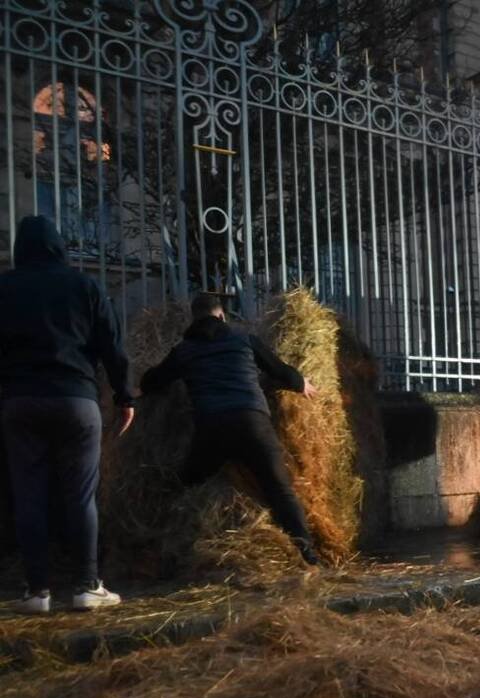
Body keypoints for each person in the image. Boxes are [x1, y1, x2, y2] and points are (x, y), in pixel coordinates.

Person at [0, 215, 134, 614]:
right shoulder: (85, 286)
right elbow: (113, 345)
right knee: (80, 495)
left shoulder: (4, 288)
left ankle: (36, 590)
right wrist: (125, 396)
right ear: (59, 245)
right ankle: (86, 585)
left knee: (29, 496)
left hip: (19, 401)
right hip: (76, 399)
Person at [140, 293, 320, 565]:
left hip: (212, 428)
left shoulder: (184, 351)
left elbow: (153, 380)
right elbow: (278, 370)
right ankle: (307, 552)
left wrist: (140, 385)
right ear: (221, 314)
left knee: (188, 482)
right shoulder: (243, 340)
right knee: (279, 488)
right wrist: (300, 383)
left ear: (194, 318)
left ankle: (171, 549)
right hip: (252, 422)